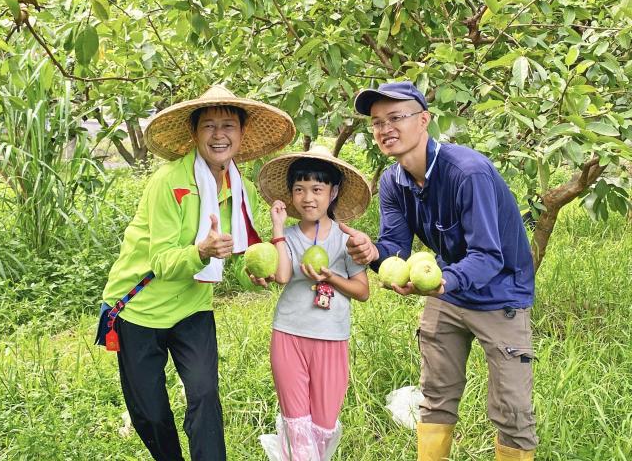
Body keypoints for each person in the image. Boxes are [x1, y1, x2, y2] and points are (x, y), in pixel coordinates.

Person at [341, 81, 537, 461]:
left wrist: (445, 281)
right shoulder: (393, 181)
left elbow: (488, 256)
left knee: (512, 409)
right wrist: (371, 253)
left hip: (500, 294)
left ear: (424, 121)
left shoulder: (468, 172)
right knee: (435, 397)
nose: (385, 129)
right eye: (377, 122)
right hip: (446, 290)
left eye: (395, 117)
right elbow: (394, 250)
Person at [100, 85, 295, 461]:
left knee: (205, 395)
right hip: (139, 308)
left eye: (228, 126)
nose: (218, 135)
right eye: (208, 126)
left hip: (192, 307)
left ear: (241, 134)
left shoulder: (241, 189)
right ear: (194, 134)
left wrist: (253, 273)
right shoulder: (169, 182)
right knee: (151, 413)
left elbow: (235, 257)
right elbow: (163, 262)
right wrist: (200, 251)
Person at [254, 145, 371, 461]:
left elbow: (362, 291)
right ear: (291, 195)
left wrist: (331, 277)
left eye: (317, 189)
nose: (308, 197)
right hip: (289, 335)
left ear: (333, 192)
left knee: (323, 424)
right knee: (296, 423)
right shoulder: (289, 237)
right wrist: (277, 229)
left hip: (332, 340)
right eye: (300, 189)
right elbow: (281, 275)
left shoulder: (346, 240)